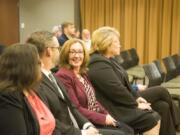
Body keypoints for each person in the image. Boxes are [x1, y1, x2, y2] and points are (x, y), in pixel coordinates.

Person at [27, 30, 132, 135]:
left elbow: (73, 106)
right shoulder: (42, 80)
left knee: (126, 130)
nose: (77, 56)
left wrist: (89, 124)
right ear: (49, 51)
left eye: (80, 52)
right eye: (58, 48)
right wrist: (83, 132)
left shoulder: (56, 76)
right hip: (71, 130)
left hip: (81, 124)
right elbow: (53, 120)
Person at [88, 26, 161, 135]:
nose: (120, 45)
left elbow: (125, 83)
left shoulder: (110, 59)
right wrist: (135, 104)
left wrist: (137, 97)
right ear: (106, 43)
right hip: (113, 108)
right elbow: (116, 90)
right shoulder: (97, 63)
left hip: (119, 103)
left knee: (162, 106)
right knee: (151, 119)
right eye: (116, 42)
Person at [55, 38, 133, 135]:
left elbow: (94, 100)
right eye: (72, 52)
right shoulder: (63, 75)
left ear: (84, 55)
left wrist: (106, 114)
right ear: (66, 55)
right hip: (84, 123)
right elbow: (76, 108)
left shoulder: (83, 73)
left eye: (80, 52)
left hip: (95, 117)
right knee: (122, 133)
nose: (77, 55)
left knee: (128, 129)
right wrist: (103, 118)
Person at [0, 44, 56, 135]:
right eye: (38, 62)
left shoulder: (33, 90)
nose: (42, 64)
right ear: (26, 68)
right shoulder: (8, 96)